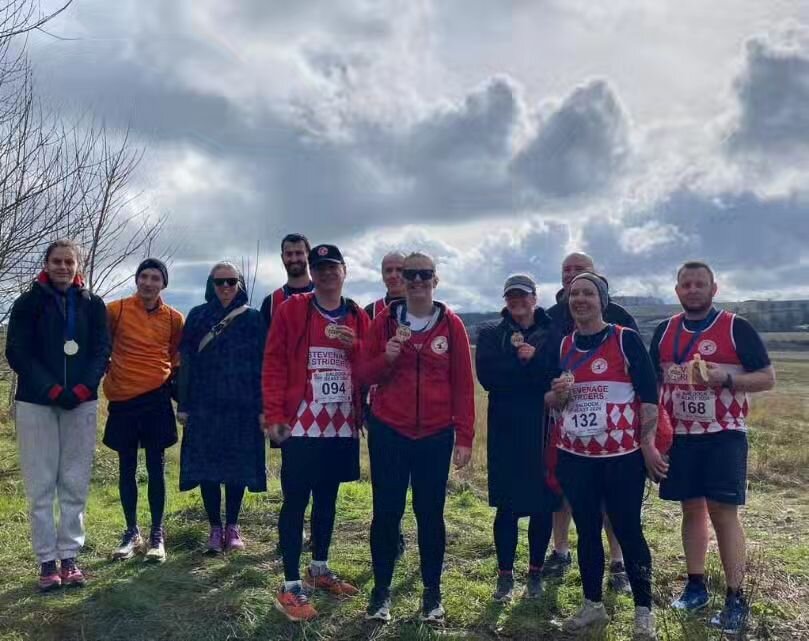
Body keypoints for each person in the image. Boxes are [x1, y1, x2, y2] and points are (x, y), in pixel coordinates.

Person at [650, 261, 775, 635]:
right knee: (691, 509)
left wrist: (727, 378)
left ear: (713, 289)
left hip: (724, 433)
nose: (692, 289)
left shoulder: (736, 327)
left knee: (723, 512)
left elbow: (767, 378)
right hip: (682, 436)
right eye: (686, 284)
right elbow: (655, 380)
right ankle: (695, 585)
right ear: (677, 291)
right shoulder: (664, 331)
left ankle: (736, 597)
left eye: (699, 284)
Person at [543, 272, 665, 640]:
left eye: (588, 293)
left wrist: (647, 445)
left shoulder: (625, 340)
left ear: (603, 301)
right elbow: (550, 402)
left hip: (621, 457)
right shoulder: (564, 346)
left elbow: (648, 396)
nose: (580, 299)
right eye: (574, 294)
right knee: (587, 532)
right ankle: (593, 605)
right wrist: (558, 396)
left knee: (628, 530)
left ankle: (644, 612)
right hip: (575, 456)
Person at [359, 252, 475, 624]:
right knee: (386, 514)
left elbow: (462, 383)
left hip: (436, 433)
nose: (417, 281)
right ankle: (380, 594)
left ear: (435, 280)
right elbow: (363, 373)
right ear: (402, 280)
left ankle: (432, 594)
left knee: (430, 515)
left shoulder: (451, 324)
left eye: (424, 274)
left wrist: (465, 436)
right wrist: (386, 358)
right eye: (410, 275)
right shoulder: (384, 322)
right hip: (389, 430)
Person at [262, 244, 369, 622]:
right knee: (295, 501)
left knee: (328, 498)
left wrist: (353, 344)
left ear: (344, 271)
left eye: (332, 267)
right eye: (318, 267)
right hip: (302, 423)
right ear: (312, 271)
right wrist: (274, 413)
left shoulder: (356, 313)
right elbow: (273, 360)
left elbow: (369, 365)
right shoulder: (293, 309)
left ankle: (319, 569)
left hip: (341, 424)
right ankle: (290, 586)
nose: (325, 273)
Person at [5, 239, 110, 591]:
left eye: (70, 261)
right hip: (37, 403)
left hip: (81, 402)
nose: (64, 267)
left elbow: (101, 350)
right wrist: (50, 389)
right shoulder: (27, 303)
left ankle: (70, 558)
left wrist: (84, 387)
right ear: (46, 263)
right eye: (57, 261)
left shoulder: (93, 305)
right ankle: (46, 562)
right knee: (40, 484)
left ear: (79, 265)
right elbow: (17, 352)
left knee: (74, 481)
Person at [544, 251, 637, 592]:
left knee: (610, 501)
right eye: (566, 271)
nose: (571, 276)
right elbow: (547, 367)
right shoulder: (553, 316)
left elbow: (638, 371)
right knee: (561, 491)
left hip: (614, 431)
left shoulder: (621, 317)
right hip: (566, 422)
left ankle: (618, 562)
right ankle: (561, 551)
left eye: (579, 271)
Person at [475, 274, 558, 603]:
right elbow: (488, 377)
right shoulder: (491, 334)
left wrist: (533, 361)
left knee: (542, 505)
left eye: (523, 296)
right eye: (511, 296)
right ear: (505, 300)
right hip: (505, 428)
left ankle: (535, 573)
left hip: (542, 427)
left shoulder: (554, 332)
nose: (517, 301)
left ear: (535, 298)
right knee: (507, 507)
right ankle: (505, 575)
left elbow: (556, 372)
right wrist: (520, 361)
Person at [177, 262, 267, 554]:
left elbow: (264, 364)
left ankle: (233, 525)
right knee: (208, 468)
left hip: (242, 405)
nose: (225, 287)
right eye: (220, 282)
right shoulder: (198, 316)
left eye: (231, 281)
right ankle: (215, 527)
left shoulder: (253, 318)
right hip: (205, 405)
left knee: (237, 468)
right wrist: (184, 403)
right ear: (210, 285)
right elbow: (186, 362)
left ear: (239, 284)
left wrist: (264, 406)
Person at [104, 258, 184, 563]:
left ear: (163, 284)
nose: (148, 283)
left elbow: (175, 354)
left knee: (155, 468)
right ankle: (130, 533)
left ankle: (156, 535)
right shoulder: (116, 310)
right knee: (126, 468)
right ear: (137, 279)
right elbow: (102, 345)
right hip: (123, 400)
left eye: (155, 278)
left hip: (156, 400)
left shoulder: (175, 318)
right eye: (144, 277)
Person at [363, 250, 407, 561]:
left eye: (399, 270)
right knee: (384, 480)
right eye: (387, 270)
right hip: (380, 408)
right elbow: (363, 362)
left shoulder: (427, 310)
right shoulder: (371, 311)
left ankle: (402, 528)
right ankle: (387, 534)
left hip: (419, 410)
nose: (393, 276)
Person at [259, 233, 314, 328]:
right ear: (282, 257)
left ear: (308, 255)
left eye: (299, 253)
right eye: (289, 254)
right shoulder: (271, 302)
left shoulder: (324, 295)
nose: (294, 259)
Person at [364, 251, 406, 319]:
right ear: (383, 276)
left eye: (399, 270)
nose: (393, 275)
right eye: (389, 270)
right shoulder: (370, 312)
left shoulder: (425, 310)